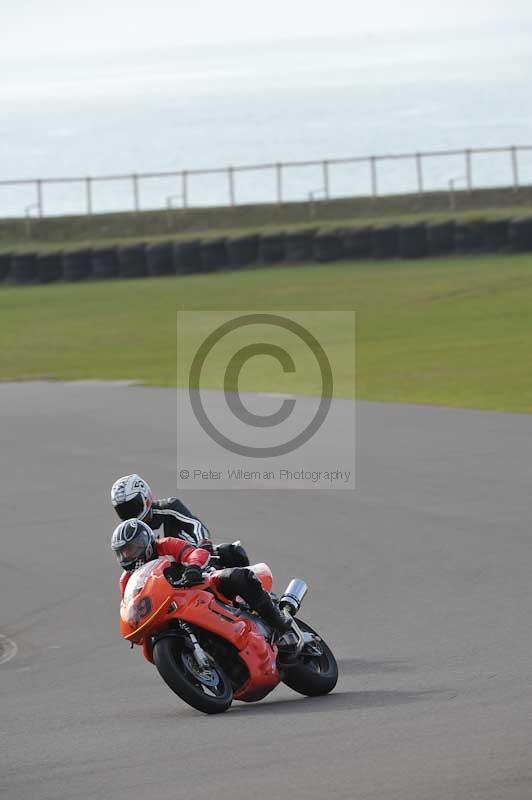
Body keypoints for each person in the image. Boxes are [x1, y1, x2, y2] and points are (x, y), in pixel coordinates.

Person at [111, 519, 291, 633]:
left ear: (144, 541)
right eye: (123, 553)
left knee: (238, 577)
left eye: (132, 549)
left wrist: (193, 568)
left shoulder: (165, 545)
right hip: (168, 608)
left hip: (200, 585)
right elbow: (130, 606)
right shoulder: (126, 580)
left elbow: (194, 553)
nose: (128, 556)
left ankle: (277, 620)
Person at [110, 474, 249, 568]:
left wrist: (204, 542)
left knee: (233, 552)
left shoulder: (168, 507)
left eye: (132, 506)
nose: (129, 513)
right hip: (160, 576)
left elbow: (195, 524)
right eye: (123, 510)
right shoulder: (128, 534)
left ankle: (259, 598)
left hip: (194, 560)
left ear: (145, 497)